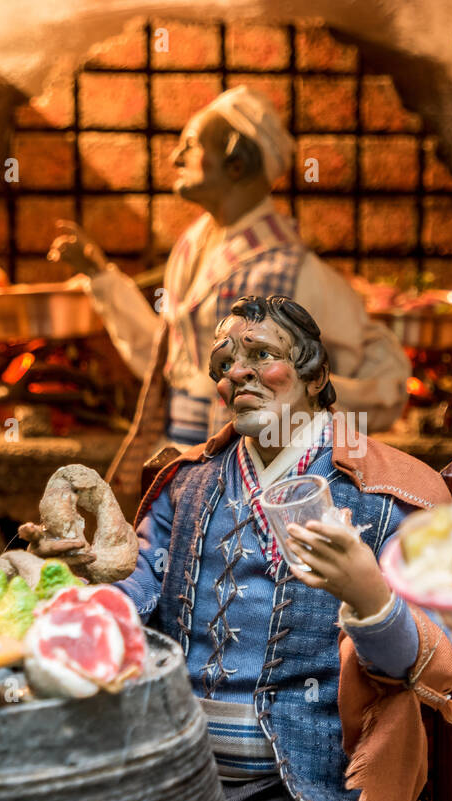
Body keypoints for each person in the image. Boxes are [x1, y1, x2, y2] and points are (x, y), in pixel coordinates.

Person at [114, 294, 452, 801]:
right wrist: (77, 588)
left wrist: (368, 597)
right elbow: (135, 590)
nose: (239, 372)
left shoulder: (389, 495)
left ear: (316, 375)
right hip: (169, 769)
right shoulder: (188, 483)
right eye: (225, 361)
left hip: (300, 789)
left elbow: (425, 666)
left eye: (261, 354)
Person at [50, 86, 410, 512]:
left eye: (191, 145)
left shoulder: (298, 275)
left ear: (236, 164)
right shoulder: (191, 251)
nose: (175, 158)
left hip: (255, 485)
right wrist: (101, 276)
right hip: (183, 464)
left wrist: (301, 402)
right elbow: (165, 358)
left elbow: (385, 387)